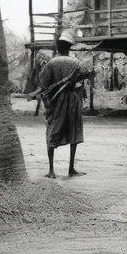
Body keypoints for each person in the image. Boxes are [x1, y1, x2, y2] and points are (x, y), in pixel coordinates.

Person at [29, 31, 91, 178]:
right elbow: (86, 74)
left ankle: (51, 171)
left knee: (52, 131)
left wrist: (41, 98)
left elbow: (43, 86)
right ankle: (71, 168)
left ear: (58, 47)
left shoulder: (52, 63)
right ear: (69, 47)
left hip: (56, 102)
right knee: (73, 131)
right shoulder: (76, 63)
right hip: (74, 101)